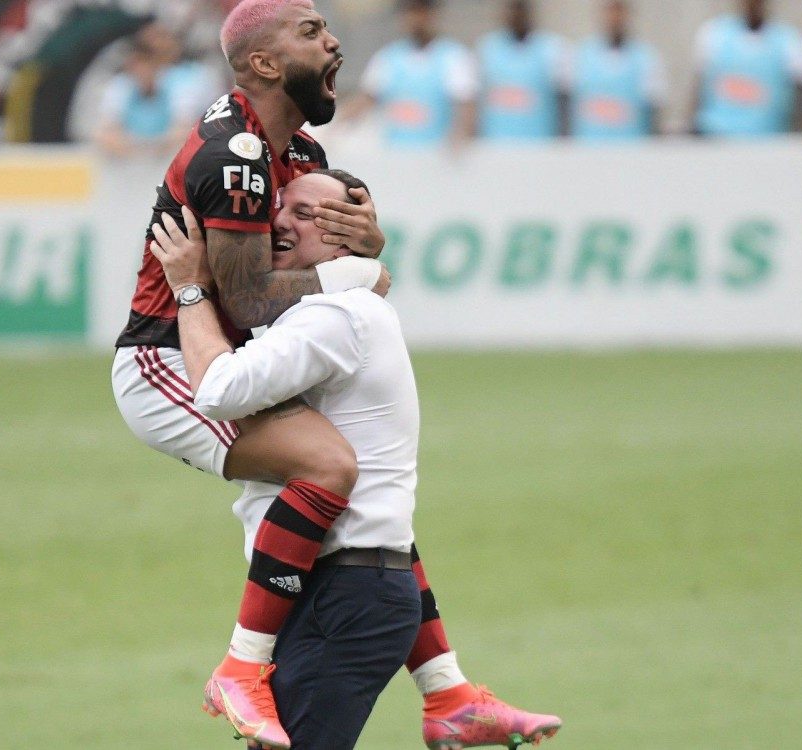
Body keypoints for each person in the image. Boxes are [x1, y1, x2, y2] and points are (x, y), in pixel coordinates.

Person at [110, 1, 556, 746]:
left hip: (243, 356)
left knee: (370, 490)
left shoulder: (304, 158)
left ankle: (448, 696)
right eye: (312, 32)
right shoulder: (232, 158)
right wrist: (359, 272)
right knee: (330, 463)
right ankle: (241, 667)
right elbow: (250, 297)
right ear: (263, 63)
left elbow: (318, 274)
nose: (334, 39)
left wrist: (365, 250)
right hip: (171, 362)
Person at [148, 170, 563, 749]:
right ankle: (448, 695)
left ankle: (246, 665)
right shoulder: (343, 308)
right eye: (281, 208)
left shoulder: (335, 315)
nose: (280, 222)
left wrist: (189, 288)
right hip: (364, 587)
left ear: (347, 236)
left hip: (340, 594)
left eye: (307, 213)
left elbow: (218, 389)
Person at [344, 0, 478, 147]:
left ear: (433, 14)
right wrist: (333, 130)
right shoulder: (388, 57)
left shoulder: (454, 56)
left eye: (420, 11)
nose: (415, 18)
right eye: (410, 12)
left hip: (436, 156)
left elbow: (466, 106)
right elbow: (366, 99)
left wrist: (459, 137)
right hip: (396, 154)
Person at [688, 0, 802, 137]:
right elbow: (698, 90)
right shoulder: (714, 34)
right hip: (716, 138)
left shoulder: (790, 41)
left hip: (769, 142)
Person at [567, 0, 667, 141]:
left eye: (619, 12)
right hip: (588, 149)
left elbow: (654, 108)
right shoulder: (580, 55)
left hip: (633, 150)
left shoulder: (646, 57)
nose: (614, 18)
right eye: (610, 11)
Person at [475, 0, 570, 140]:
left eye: (520, 9)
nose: (516, 15)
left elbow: (563, 100)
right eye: (512, 10)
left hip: (539, 145)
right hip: (496, 145)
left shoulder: (552, 47)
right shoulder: (487, 48)